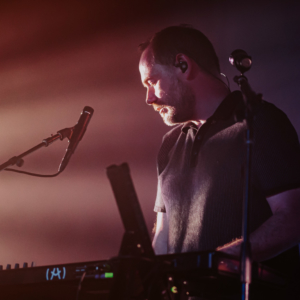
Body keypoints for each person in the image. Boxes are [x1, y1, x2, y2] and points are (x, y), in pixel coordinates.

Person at [138, 25, 300, 276]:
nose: (148, 98)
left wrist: (215, 263)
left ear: (183, 65)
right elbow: (163, 237)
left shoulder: (260, 121)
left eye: (152, 81)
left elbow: (293, 217)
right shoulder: (169, 144)